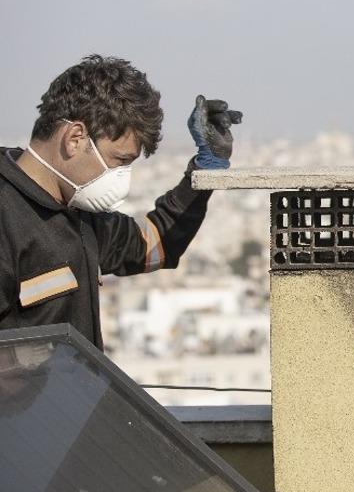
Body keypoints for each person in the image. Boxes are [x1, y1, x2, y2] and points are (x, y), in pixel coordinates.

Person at [0, 55, 242, 349]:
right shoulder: (7, 217)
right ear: (74, 138)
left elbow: (155, 243)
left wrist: (204, 172)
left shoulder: (77, 212)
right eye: (119, 160)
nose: (121, 178)